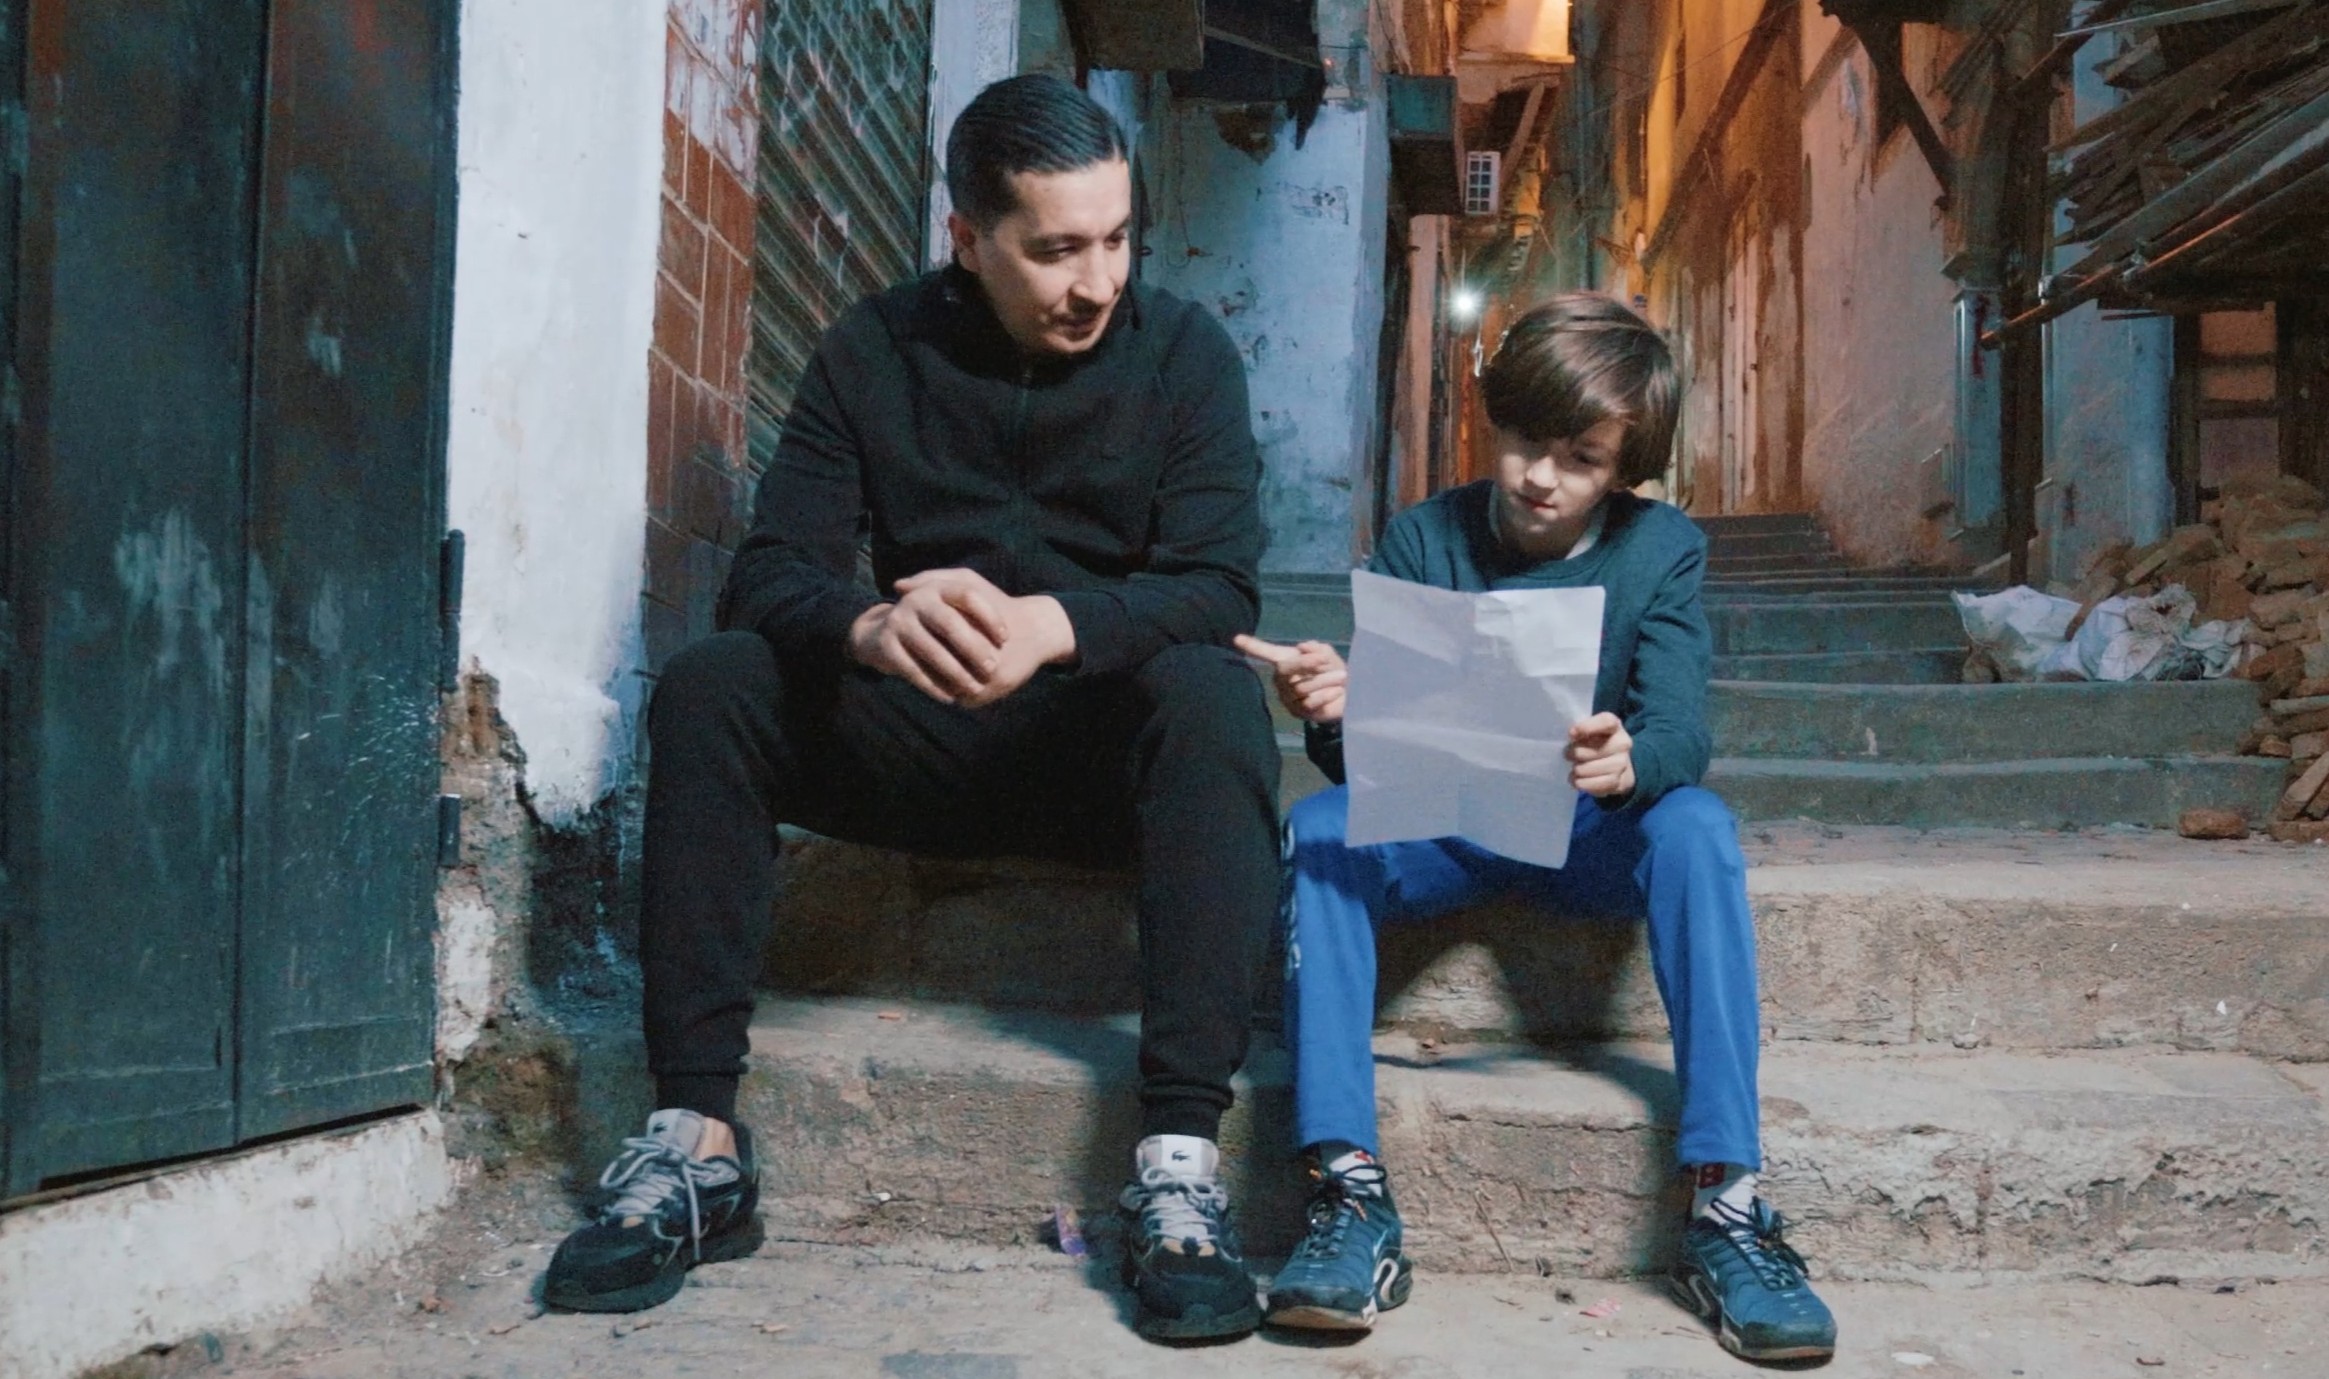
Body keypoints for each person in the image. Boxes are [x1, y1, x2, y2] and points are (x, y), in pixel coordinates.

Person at [543, 74, 1281, 1342]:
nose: (1097, 282)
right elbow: (769, 573)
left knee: (1214, 692)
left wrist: (1058, 625)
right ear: (967, 238)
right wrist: (869, 627)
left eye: (1118, 240)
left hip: (1095, 759)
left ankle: (1176, 1166)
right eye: (1056, 250)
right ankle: (695, 1140)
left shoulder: (1185, 355)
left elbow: (1217, 585)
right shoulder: (871, 347)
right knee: (716, 681)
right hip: (914, 743)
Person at [1235, 294, 1837, 1363]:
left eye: (1581, 458)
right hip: (1446, 828)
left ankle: (1726, 1202)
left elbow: (1680, 728)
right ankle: (1347, 1190)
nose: (1541, 477)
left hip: (1586, 834)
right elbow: (1371, 772)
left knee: (1697, 826)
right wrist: (1337, 712)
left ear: (1623, 466)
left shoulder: (1661, 548)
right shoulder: (1424, 535)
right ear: (1493, 422)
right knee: (1321, 828)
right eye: (1523, 440)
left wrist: (1629, 760)